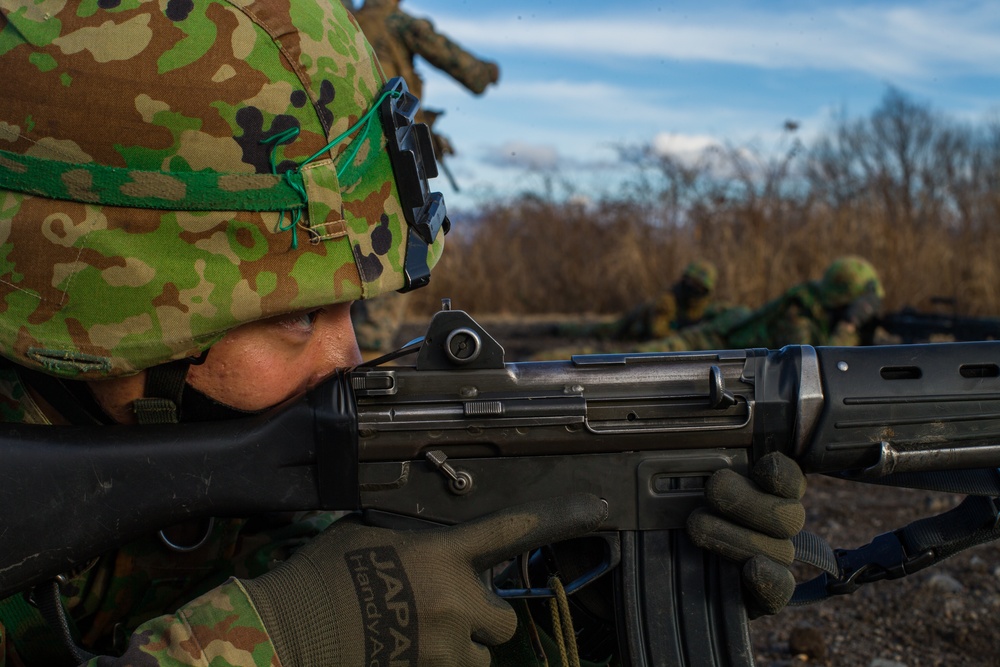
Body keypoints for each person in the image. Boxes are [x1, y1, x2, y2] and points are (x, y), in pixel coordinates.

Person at [0, 2, 801, 665]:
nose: (347, 357)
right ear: (107, 307)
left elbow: (301, 575)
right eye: (298, 316)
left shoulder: (202, 447)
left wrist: (564, 600)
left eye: (355, 306)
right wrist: (280, 642)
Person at [351, 0, 501, 360]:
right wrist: (490, 71)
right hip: (384, 156)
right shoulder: (399, 23)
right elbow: (472, 73)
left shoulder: (342, 22)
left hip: (337, 155)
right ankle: (367, 355)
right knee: (391, 243)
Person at [639, 255, 885, 352]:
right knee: (647, 355)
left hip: (735, 323)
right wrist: (848, 328)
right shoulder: (798, 316)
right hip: (720, 339)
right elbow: (815, 368)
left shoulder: (822, 308)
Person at [556, 259, 728, 341]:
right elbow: (657, 331)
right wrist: (688, 336)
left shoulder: (706, 306)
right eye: (691, 283)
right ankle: (560, 329)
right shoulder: (668, 301)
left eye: (699, 287)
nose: (694, 289)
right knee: (602, 330)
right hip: (636, 323)